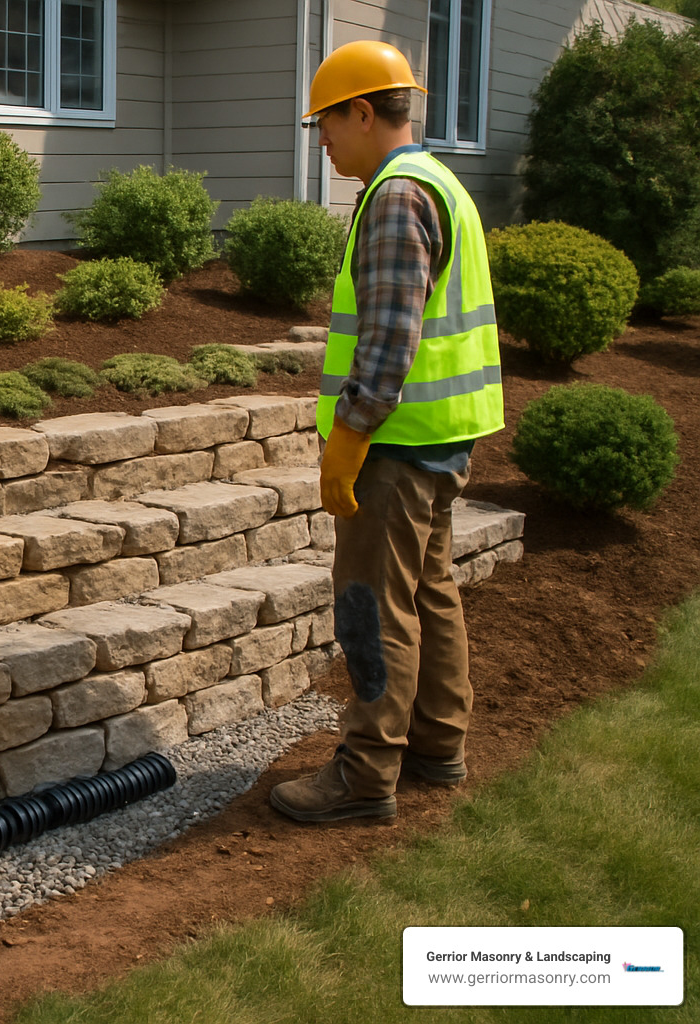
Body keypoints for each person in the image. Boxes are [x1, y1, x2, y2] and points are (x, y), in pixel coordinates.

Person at [269, 40, 504, 822]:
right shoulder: (441, 183)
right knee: (430, 593)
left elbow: (390, 339)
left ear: (364, 112)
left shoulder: (397, 197)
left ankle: (366, 775)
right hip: (442, 438)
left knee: (371, 603)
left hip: (395, 446)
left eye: (326, 124)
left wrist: (349, 437)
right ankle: (438, 746)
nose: (323, 140)